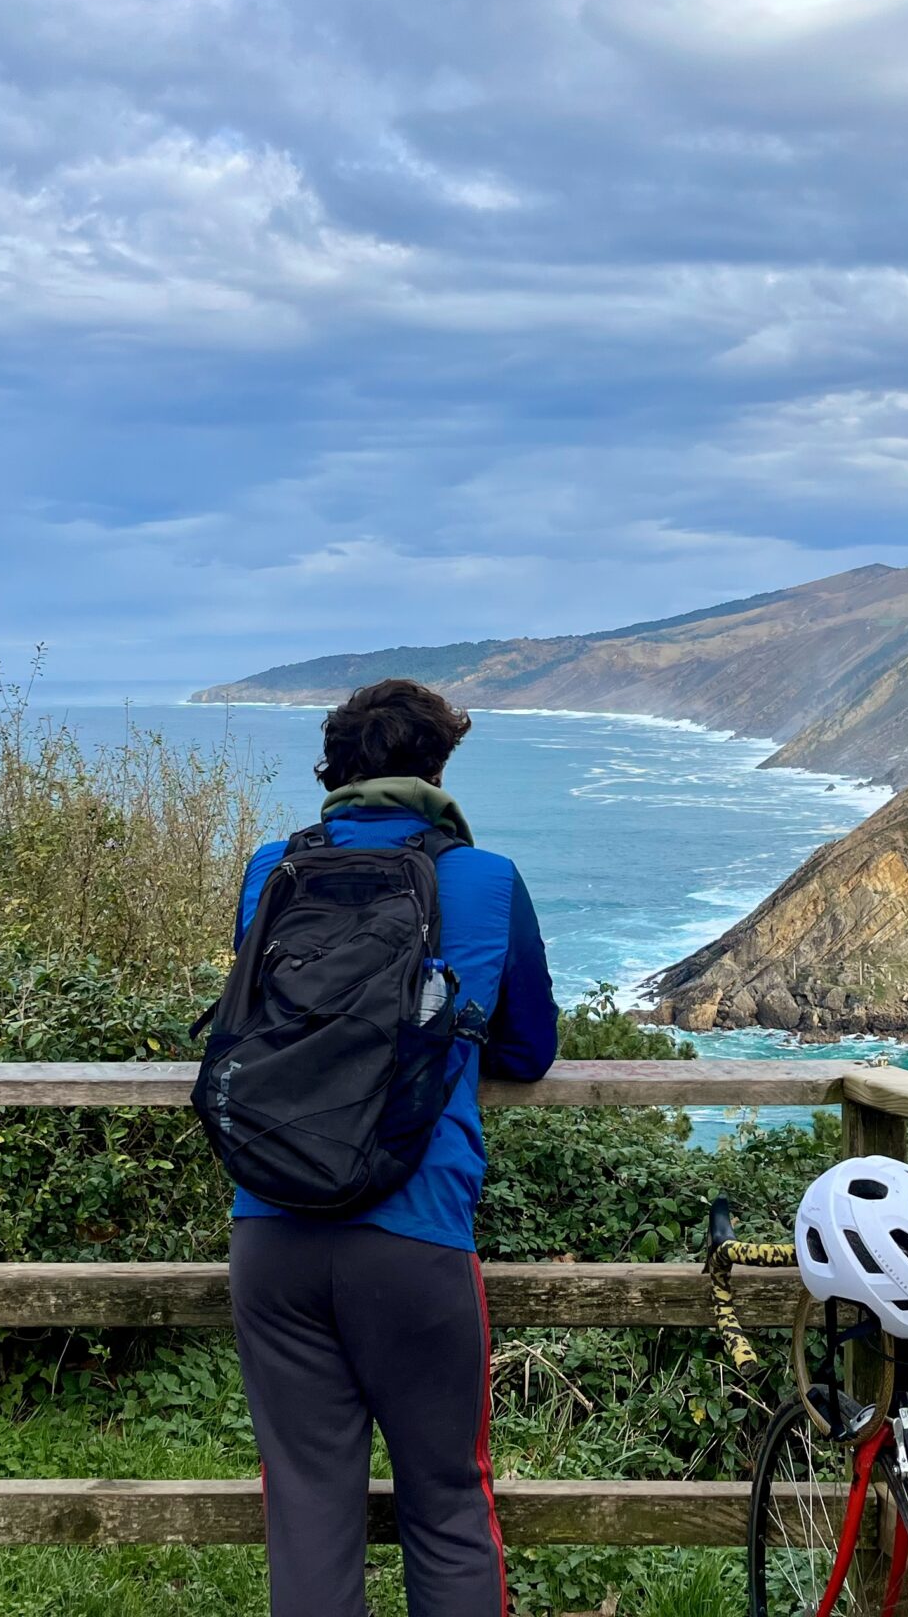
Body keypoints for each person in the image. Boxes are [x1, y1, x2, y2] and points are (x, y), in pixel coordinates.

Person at [227, 678, 559, 1617]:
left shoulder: (270, 869)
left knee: (306, 1508)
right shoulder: (486, 879)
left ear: (335, 768)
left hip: (272, 1225)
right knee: (447, 1502)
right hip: (415, 1232)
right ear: (439, 764)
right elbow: (530, 1051)